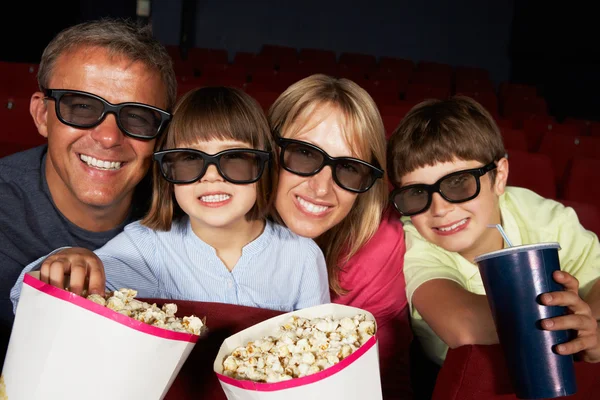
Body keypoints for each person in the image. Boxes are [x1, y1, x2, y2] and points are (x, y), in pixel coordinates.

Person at [12, 86, 330, 311]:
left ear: (264, 165)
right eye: (190, 160)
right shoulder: (148, 247)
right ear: (168, 172)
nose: (211, 176)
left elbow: (321, 359)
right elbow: (38, 299)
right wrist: (68, 260)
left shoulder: (301, 257)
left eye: (234, 158)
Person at [387, 95, 600, 368]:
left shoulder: (542, 217)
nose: (439, 209)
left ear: (499, 176)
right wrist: (568, 319)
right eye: (416, 194)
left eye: (458, 183)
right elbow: (466, 327)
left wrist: (587, 326)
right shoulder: (416, 239)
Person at [0, 18, 176, 347]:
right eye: (81, 107)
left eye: (137, 116)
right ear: (42, 115)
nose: (109, 137)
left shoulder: (190, 211)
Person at [268, 74, 412, 399]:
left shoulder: (381, 248)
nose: (321, 188)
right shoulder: (219, 215)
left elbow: (374, 384)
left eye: (349, 168)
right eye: (304, 154)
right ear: (268, 150)